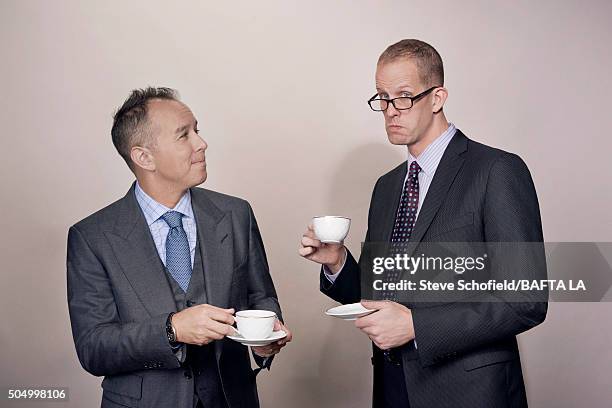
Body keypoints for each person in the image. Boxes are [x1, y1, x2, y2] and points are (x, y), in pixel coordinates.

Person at [299, 39, 547, 407]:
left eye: (403, 96)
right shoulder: (386, 187)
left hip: (470, 393)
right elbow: (379, 293)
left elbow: (526, 300)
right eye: (382, 97)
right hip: (393, 387)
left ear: (437, 98)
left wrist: (417, 327)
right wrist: (337, 262)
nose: (390, 111)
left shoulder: (496, 170)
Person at [67, 87, 291, 408]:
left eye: (196, 130)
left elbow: (260, 295)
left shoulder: (236, 214)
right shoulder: (92, 237)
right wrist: (171, 330)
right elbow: (94, 348)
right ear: (143, 156)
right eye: (184, 135)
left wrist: (265, 339)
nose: (202, 143)